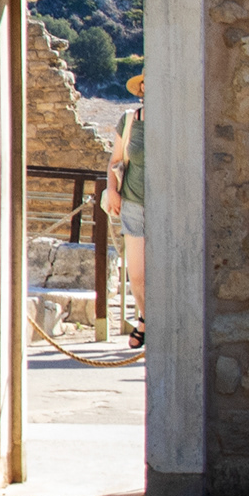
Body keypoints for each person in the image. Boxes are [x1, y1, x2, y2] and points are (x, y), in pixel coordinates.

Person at [107, 76, 146, 341]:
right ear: (142, 88)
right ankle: (147, 318)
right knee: (138, 275)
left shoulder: (174, 118)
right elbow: (116, 159)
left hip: (166, 206)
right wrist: (112, 190)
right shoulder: (130, 120)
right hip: (133, 203)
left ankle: (145, 323)